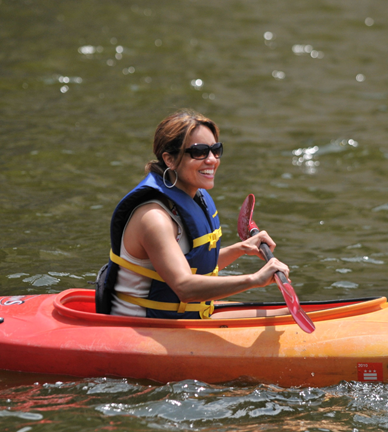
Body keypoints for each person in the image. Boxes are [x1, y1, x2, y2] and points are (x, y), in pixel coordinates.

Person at [97, 109, 290, 319]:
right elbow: (184, 286)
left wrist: (241, 249)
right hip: (143, 328)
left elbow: (194, 265)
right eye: (199, 152)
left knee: (285, 314)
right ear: (169, 159)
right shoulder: (154, 218)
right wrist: (255, 279)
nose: (212, 160)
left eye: (216, 150)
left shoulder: (192, 197)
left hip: (181, 318)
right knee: (280, 319)